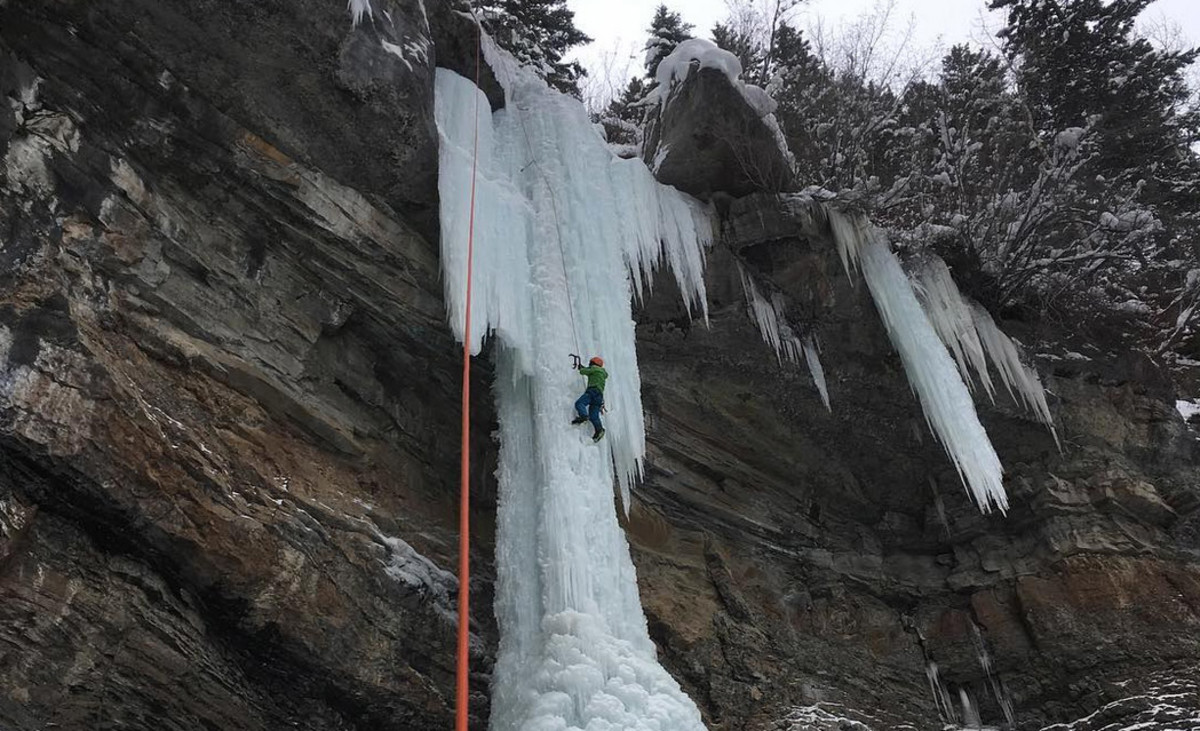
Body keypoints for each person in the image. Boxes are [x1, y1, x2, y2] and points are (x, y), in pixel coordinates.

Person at [572, 356, 607, 442]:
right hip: (599, 396)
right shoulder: (602, 372)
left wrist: (581, 368)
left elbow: (583, 371)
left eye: (590, 364)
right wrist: (584, 368)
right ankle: (599, 430)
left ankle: (583, 415)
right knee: (594, 416)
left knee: (579, 403)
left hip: (592, 392)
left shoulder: (594, 369)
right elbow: (589, 371)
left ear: (593, 364)